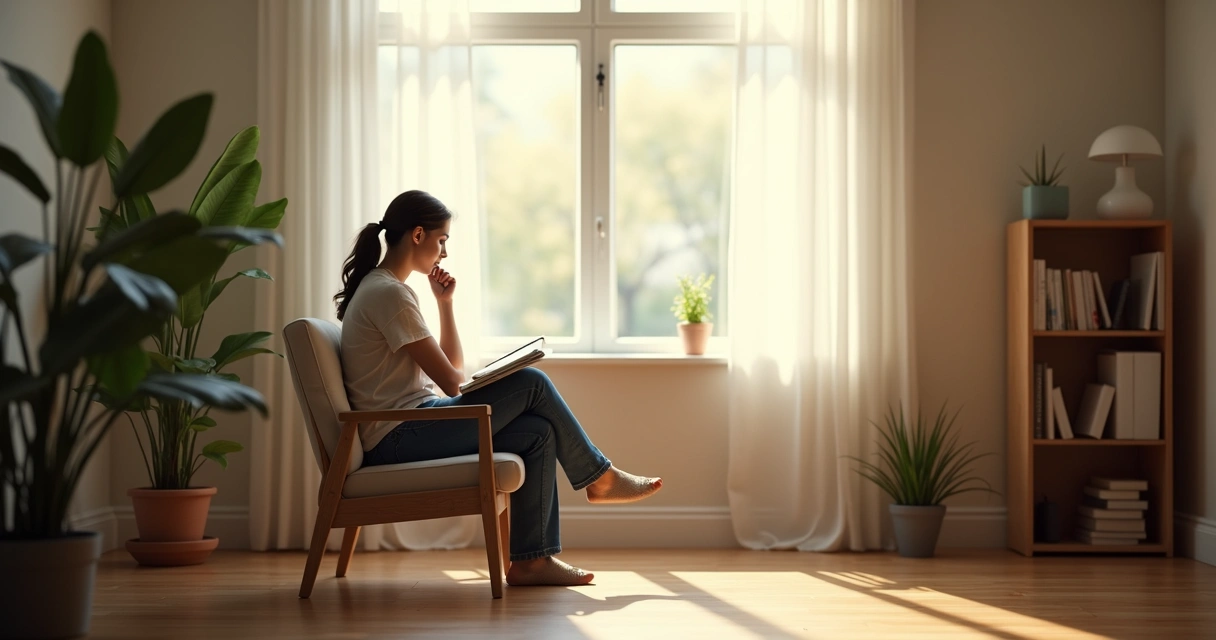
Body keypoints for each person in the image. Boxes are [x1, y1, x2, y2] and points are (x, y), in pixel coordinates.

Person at [334, 190, 663, 587]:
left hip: (411, 425)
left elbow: (451, 370)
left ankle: (531, 563)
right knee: (533, 382)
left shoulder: (385, 288)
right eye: (442, 241)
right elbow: (452, 382)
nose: (444, 253)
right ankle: (599, 477)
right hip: (398, 434)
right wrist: (493, 380)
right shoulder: (389, 293)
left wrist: (445, 304)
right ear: (418, 235)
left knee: (538, 434)